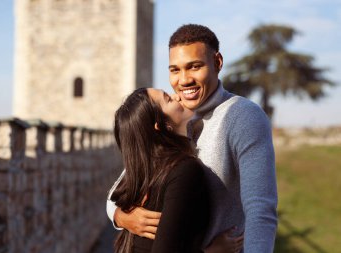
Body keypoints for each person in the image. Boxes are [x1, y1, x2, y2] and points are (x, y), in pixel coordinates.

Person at [108, 24, 278, 253]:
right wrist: (120, 216)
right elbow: (124, 185)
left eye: (194, 67)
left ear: (217, 63)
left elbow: (260, 210)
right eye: (175, 70)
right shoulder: (171, 120)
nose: (183, 80)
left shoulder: (243, 116)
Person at [111, 87, 220, 252]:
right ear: (161, 125)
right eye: (168, 99)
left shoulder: (144, 172)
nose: (177, 96)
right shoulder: (183, 171)